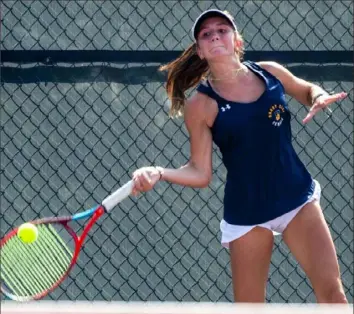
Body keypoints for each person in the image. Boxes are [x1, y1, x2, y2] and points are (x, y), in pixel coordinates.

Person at [131, 9, 348, 303]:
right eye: (206, 34)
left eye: (222, 30)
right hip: (247, 214)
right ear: (200, 51)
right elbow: (200, 172)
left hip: (297, 197)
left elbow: (305, 89)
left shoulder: (269, 72)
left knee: (333, 295)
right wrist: (159, 171)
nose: (215, 36)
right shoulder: (201, 105)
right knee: (249, 308)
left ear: (237, 40)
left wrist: (318, 96)